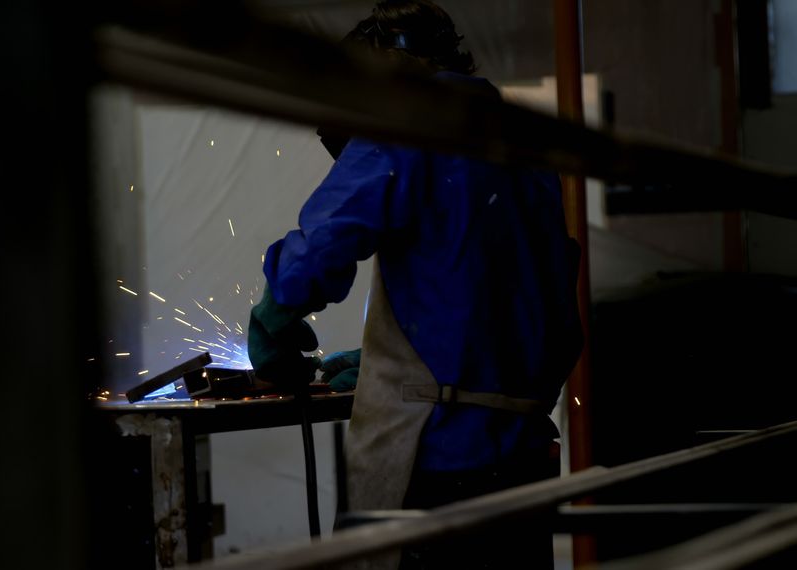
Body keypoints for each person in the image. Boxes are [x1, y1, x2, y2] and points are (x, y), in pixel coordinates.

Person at [247, 1, 583, 567]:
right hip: (523, 464)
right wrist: (396, 362)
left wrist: (274, 316)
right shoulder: (525, 149)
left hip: (438, 466)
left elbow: (323, 245)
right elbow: (519, 310)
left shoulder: (408, 121)